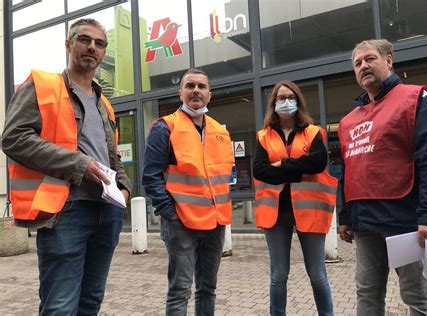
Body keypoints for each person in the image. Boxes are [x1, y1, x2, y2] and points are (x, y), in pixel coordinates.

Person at [2, 18, 132, 315]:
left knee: (90, 302)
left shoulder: (104, 103)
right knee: (60, 306)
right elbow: (13, 138)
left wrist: (124, 187)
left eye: (99, 43)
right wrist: (79, 164)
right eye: (84, 40)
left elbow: (113, 157)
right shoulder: (42, 86)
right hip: (66, 211)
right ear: (68, 44)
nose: (92, 47)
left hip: (107, 212)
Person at [337, 39, 427, 315]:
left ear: (388, 60)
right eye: (357, 63)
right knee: (366, 294)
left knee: (418, 299)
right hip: (365, 225)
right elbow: (350, 170)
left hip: (406, 223)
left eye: (369, 59)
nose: (363, 66)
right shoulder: (348, 121)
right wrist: (345, 217)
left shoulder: (415, 100)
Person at [142, 68, 234, 315]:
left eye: (201, 86)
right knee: (180, 290)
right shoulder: (165, 127)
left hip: (215, 223)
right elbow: (150, 176)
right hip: (180, 223)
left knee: (208, 288)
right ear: (180, 92)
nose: (196, 91)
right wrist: (170, 213)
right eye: (190, 86)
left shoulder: (220, 132)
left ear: (209, 95)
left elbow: (223, 176)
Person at [253, 80, 338, 316]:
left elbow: (319, 162)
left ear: (298, 101)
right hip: (276, 213)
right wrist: (301, 167)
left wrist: (283, 164)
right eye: (281, 98)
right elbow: (260, 170)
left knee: (317, 274)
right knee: (278, 275)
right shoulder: (263, 136)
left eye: (290, 97)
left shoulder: (313, 132)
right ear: (274, 103)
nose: (286, 101)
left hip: (309, 212)